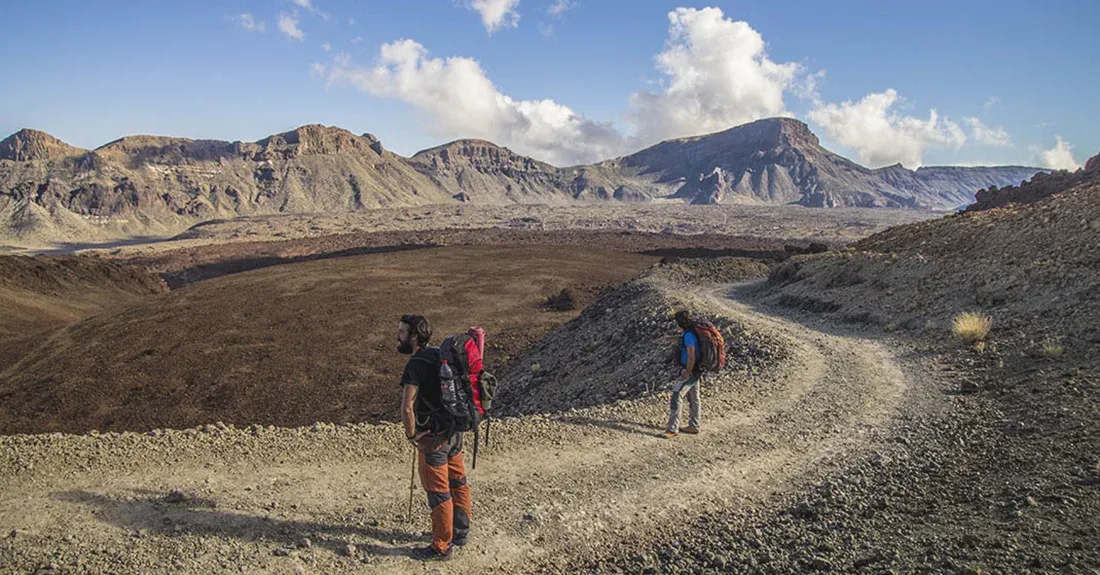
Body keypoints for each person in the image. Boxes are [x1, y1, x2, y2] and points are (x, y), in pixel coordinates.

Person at [397, 314, 471, 561]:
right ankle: (461, 532)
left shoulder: (415, 365)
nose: (399, 336)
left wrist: (411, 435)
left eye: (402, 332)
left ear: (415, 335)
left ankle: (441, 545)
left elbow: (407, 407)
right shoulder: (441, 354)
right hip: (454, 432)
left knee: (438, 492)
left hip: (433, 439)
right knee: (458, 481)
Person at [656, 310, 702, 438]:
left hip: (691, 370)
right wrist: (668, 338)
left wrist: (687, 373)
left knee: (677, 394)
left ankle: (672, 429)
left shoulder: (689, 335)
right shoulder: (689, 333)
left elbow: (691, 356)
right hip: (696, 369)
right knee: (694, 397)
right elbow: (682, 339)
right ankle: (694, 426)